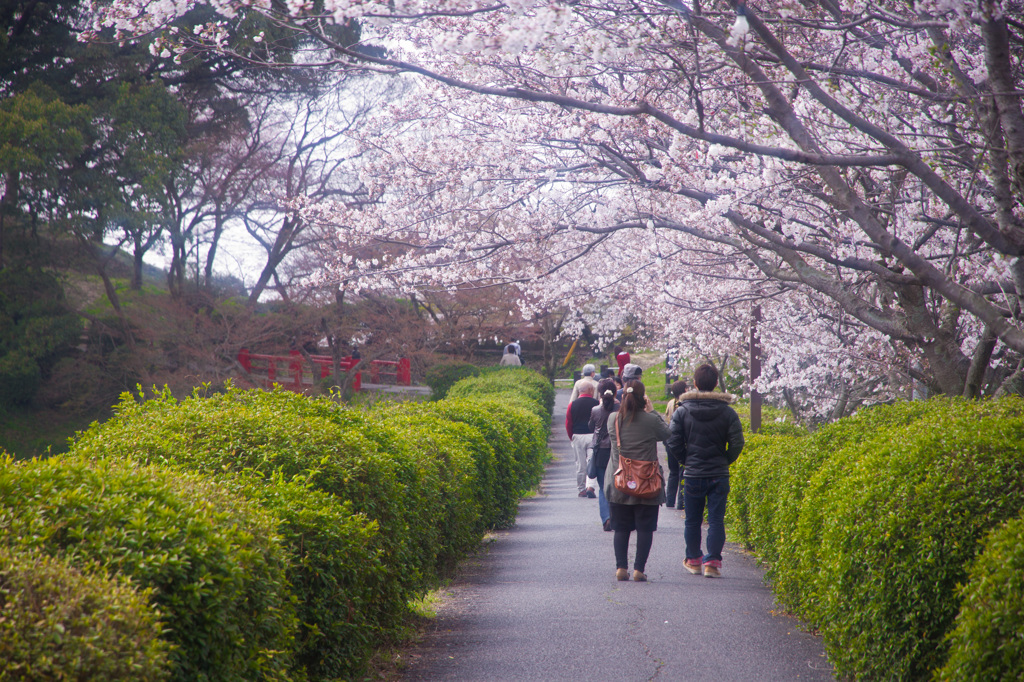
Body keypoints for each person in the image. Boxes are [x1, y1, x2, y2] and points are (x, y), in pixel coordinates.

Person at [666, 364, 744, 579]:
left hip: (693, 473)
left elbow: (673, 441)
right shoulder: (728, 412)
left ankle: (693, 560)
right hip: (718, 473)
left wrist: (686, 460)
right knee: (717, 520)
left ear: (696, 384)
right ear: (716, 384)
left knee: (692, 520)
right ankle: (712, 563)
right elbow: (737, 443)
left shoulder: (682, 411)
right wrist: (724, 461)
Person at [605, 380, 670, 582]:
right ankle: (638, 570)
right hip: (647, 483)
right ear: (644, 398)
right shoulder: (650, 421)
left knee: (621, 527)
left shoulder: (613, 418)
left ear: (623, 397)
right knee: (645, 528)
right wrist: (651, 412)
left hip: (620, 483)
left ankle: (621, 568)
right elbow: (667, 433)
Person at [588, 378, 619, 531]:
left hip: (600, 451)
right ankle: (618, 517)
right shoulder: (620, 409)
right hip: (616, 451)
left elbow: (590, 426)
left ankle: (606, 518)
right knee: (617, 485)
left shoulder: (595, 410)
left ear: (600, 393)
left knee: (602, 487)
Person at [566, 384, 600, 497]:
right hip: (592, 435)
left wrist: (572, 437)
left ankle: (581, 489)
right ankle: (590, 486)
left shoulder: (572, 405)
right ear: (590, 390)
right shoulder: (596, 403)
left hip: (578, 436)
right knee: (592, 462)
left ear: (579, 392)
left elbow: (568, 423)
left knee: (580, 464)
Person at [663, 379, 688, 510]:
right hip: (681, 440)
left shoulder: (670, 403)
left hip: (669, 439)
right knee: (682, 471)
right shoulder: (685, 404)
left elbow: (667, 418)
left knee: (673, 471)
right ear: (684, 390)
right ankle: (681, 502)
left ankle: (669, 500)